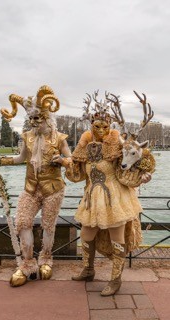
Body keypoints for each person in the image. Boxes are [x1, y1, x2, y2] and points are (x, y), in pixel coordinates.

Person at [53, 90, 155, 296]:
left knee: (117, 238)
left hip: (114, 198)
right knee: (86, 234)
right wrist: (64, 162)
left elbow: (128, 170)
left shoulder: (117, 147)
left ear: (110, 128)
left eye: (105, 127)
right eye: (96, 126)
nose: (100, 130)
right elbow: (78, 174)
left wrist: (143, 176)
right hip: (92, 199)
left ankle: (115, 280)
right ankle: (88, 270)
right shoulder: (86, 148)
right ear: (90, 127)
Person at [0, 85, 71, 286]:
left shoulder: (59, 138)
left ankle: (46, 259)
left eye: (37, 118)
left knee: (48, 226)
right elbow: (19, 159)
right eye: (31, 119)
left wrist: (60, 160)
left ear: (46, 118)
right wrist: (0, 160)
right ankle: (27, 264)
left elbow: (72, 160)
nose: (33, 122)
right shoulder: (28, 136)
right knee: (23, 223)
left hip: (53, 189)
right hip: (31, 188)